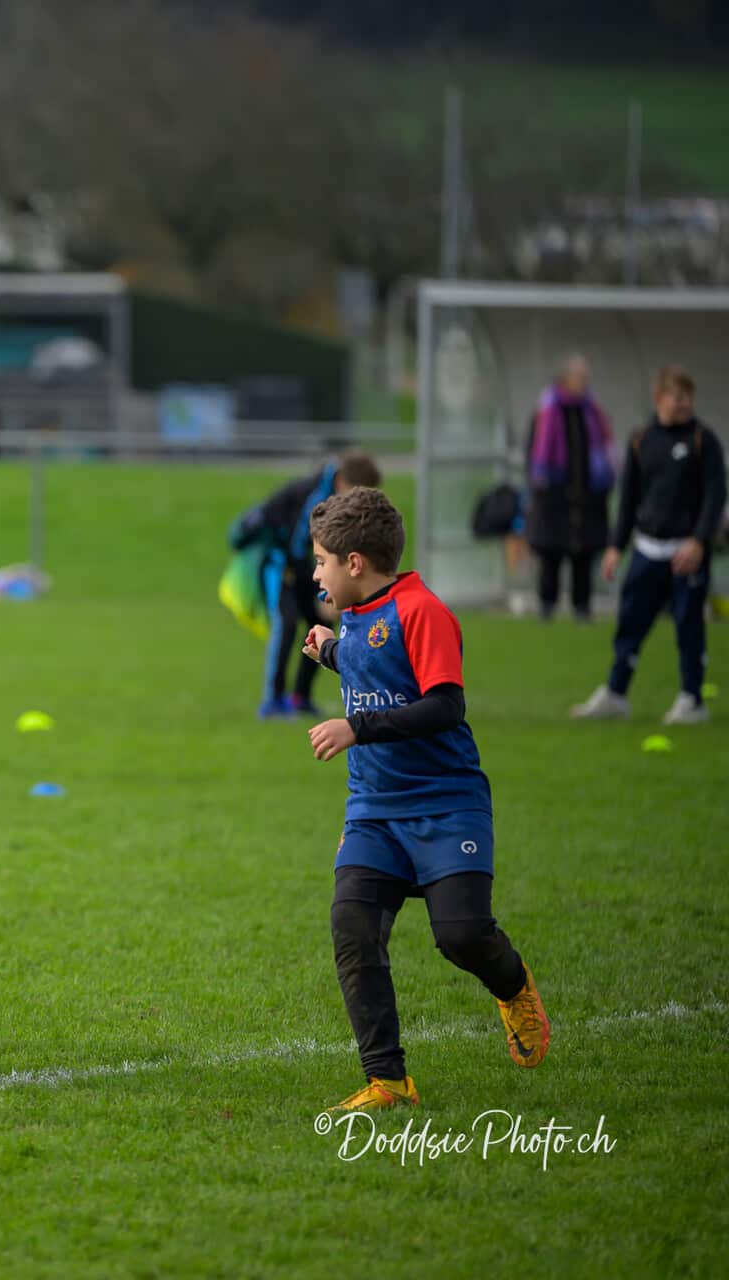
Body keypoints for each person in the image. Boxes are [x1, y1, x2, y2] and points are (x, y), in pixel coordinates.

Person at [298, 485, 548, 1114]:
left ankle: (513, 985)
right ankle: (389, 1080)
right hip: (374, 810)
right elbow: (373, 671)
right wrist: (329, 652)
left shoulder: (422, 611)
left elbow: (443, 705)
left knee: (461, 935)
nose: (316, 573)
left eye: (323, 560)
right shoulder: (353, 614)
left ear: (356, 563)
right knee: (353, 928)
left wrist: (356, 728)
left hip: (446, 801)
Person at [571, 365, 724, 726]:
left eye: (688, 396)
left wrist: (700, 541)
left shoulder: (704, 440)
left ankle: (692, 699)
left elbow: (716, 497)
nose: (684, 403)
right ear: (659, 398)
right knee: (631, 622)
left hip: (686, 553)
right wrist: (615, 547)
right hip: (647, 549)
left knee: (689, 626)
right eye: (677, 396)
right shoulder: (642, 440)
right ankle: (616, 693)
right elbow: (628, 498)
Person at [228, 451, 382, 718]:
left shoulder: (335, 496)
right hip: (279, 564)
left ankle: (301, 697)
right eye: (360, 494)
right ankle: (273, 700)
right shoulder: (313, 497)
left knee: (321, 623)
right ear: (345, 483)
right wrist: (321, 591)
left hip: (306, 569)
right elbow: (297, 548)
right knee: (286, 623)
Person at [525, 355, 614, 621]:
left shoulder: (593, 412)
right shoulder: (547, 411)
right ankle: (547, 605)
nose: (583, 382)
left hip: (588, 496)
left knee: (583, 555)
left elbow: (605, 453)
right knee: (551, 554)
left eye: (585, 377)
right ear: (565, 378)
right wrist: (540, 487)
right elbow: (535, 454)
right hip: (553, 496)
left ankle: (582, 607)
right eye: (579, 376)